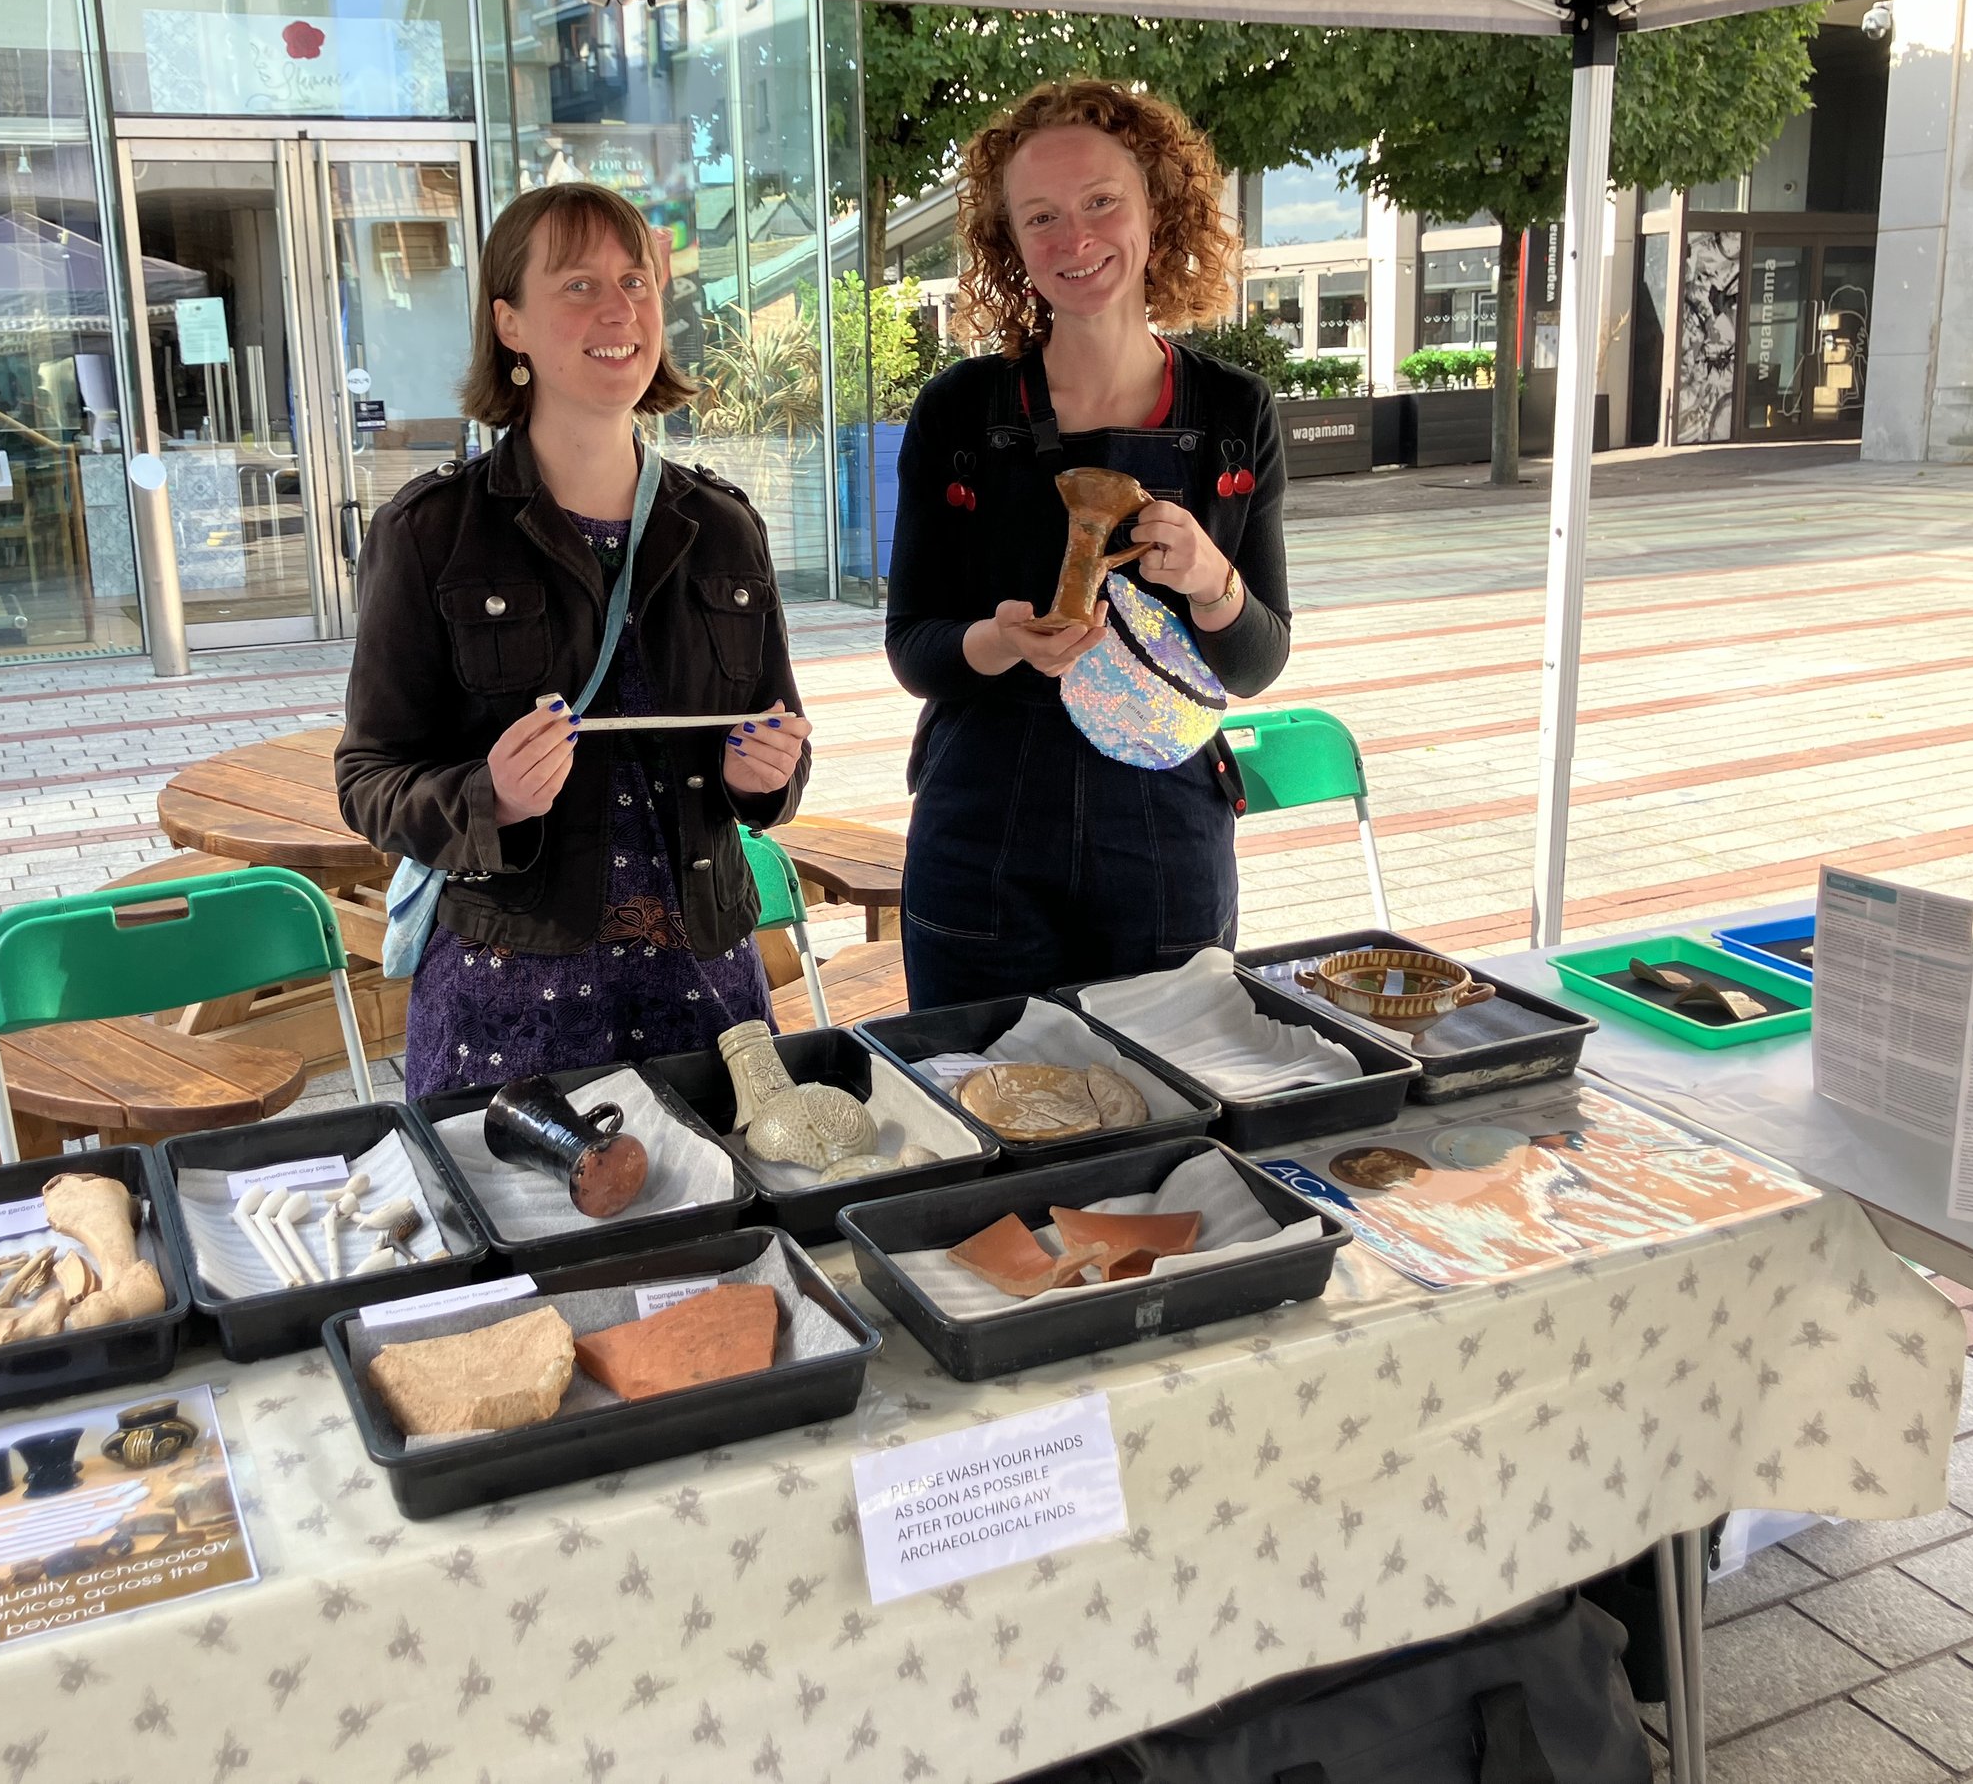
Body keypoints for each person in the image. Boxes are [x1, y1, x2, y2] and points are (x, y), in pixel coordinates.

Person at [336, 183, 812, 1097]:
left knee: (732, 1235)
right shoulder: (431, 531)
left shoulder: (722, 525)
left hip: (709, 996)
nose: (619, 308)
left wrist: (768, 776)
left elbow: (777, 753)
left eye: (636, 280)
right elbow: (368, 780)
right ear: (510, 323)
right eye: (578, 284)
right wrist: (490, 798)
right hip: (507, 1008)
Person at [885, 79, 1294, 1009]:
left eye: (1102, 202)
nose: (1075, 240)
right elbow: (913, 647)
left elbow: (1258, 663)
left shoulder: (1234, 413)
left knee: (1169, 1119)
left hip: (1164, 837)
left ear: (1159, 207)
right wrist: (997, 643)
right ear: (1010, 243)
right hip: (982, 829)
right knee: (980, 1110)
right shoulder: (959, 411)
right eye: (1041, 218)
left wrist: (1214, 581)